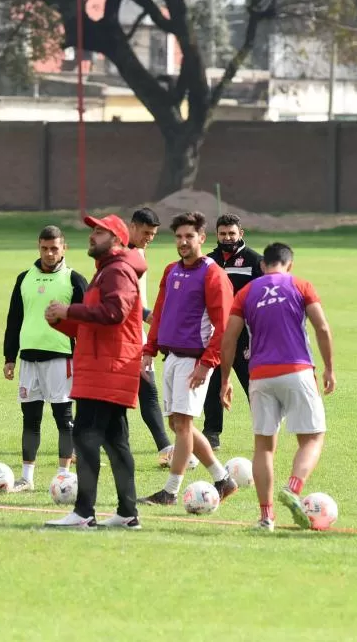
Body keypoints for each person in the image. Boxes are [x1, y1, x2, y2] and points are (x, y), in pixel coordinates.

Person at [219, 242, 335, 531]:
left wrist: (224, 381)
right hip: (297, 370)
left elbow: (229, 337)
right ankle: (293, 487)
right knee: (312, 438)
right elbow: (321, 327)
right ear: (289, 264)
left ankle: (266, 517)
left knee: (264, 447)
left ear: (262, 266)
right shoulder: (301, 285)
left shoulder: (246, 292)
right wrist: (329, 368)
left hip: (259, 375)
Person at [43, 214, 146, 530]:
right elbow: (95, 324)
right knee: (116, 442)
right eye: (92, 231)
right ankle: (128, 513)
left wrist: (69, 309)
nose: (92, 236)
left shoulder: (117, 271)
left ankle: (84, 512)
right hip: (106, 366)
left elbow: (115, 313)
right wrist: (63, 321)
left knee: (85, 436)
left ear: (116, 239)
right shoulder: (107, 271)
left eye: (99, 232)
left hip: (107, 368)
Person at [138, 211, 239, 507]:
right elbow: (160, 314)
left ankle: (169, 491)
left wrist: (206, 364)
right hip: (171, 358)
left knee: (183, 426)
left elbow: (223, 327)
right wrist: (149, 350)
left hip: (194, 361)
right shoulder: (171, 270)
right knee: (178, 425)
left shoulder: (213, 274)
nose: (183, 242)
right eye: (179, 237)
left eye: (189, 236)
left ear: (202, 238)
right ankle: (223, 479)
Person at [2, 225, 88, 491]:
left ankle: (63, 475)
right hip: (29, 359)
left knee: (63, 419)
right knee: (30, 419)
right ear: (38, 247)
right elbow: (14, 319)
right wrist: (10, 357)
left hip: (61, 359)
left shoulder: (74, 280)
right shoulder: (24, 278)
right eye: (44, 248)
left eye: (55, 248)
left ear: (64, 248)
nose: (50, 254)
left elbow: (86, 324)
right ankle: (26, 478)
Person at [203, 213, 264, 450]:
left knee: (253, 384)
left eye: (232, 233)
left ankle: (264, 431)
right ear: (216, 235)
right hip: (215, 335)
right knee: (213, 383)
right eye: (222, 234)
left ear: (241, 234)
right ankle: (212, 433)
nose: (227, 238)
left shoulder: (255, 261)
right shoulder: (208, 261)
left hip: (245, 336)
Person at [126, 208, 173, 459]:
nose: (149, 238)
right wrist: (149, 316)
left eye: (153, 234)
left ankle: (165, 448)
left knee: (147, 390)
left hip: (137, 331)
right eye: (146, 232)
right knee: (137, 391)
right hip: (122, 334)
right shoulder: (120, 254)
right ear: (132, 227)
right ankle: (165, 448)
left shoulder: (139, 252)